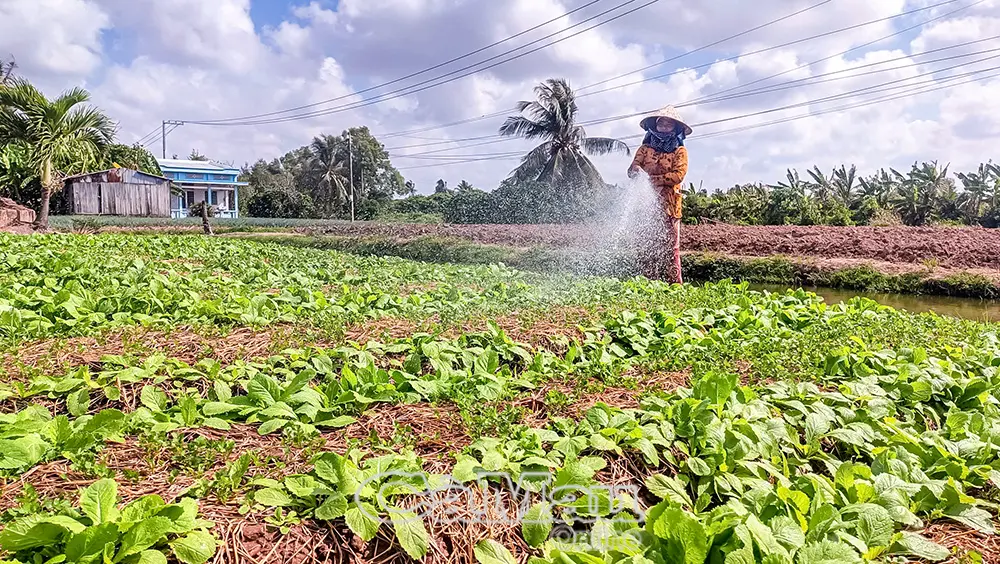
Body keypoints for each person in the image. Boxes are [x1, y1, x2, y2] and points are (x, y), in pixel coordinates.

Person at [627, 106, 692, 284]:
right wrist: (635, 169)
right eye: (661, 123)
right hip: (645, 205)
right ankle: (647, 283)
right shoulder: (644, 149)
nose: (664, 127)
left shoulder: (679, 151)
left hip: (669, 206)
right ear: (654, 126)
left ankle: (674, 285)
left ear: (675, 128)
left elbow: (678, 175)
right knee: (646, 245)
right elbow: (632, 170)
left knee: (671, 247)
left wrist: (651, 180)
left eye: (668, 124)